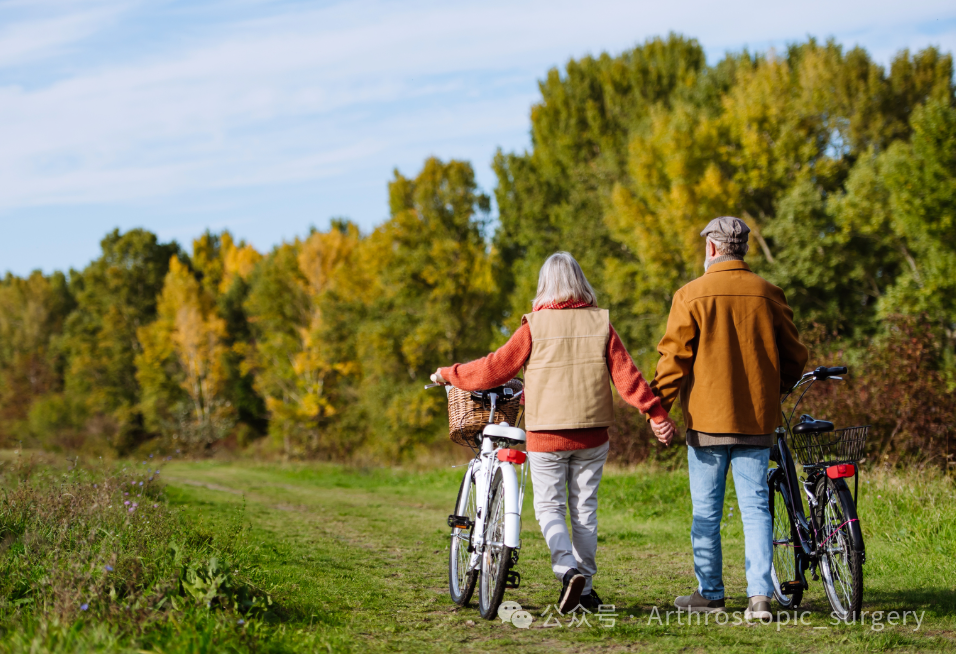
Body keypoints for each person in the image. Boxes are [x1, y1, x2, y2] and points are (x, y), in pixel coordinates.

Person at [431, 252, 673, 614]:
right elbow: (627, 375)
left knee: (549, 508)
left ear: (546, 285)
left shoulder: (534, 326)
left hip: (547, 436)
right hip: (592, 436)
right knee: (585, 511)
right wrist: (654, 412)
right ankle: (586, 589)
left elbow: (493, 369)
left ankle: (567, 570)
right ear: (580, 283)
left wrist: (449, 373)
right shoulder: (600, 324)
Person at [649, 217, 809, 621]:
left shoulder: (690, 295)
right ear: (743, 249)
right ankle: (759, 598)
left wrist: (658, 406)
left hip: (706, 422)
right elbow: (795, 357)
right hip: (757, 420)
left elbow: (674, 361)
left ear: (712, 249)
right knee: (756, 507)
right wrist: (776, 389)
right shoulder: (769, 294)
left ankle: (712, 593)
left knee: (706, 511)